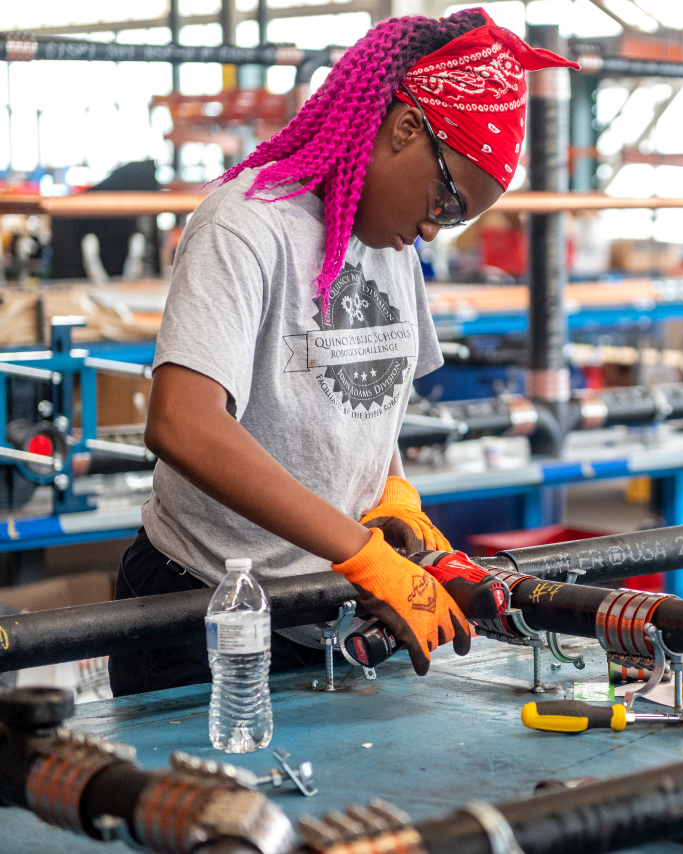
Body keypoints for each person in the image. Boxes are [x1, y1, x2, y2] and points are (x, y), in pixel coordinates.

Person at [108, 9, 577, 696]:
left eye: (455, 220)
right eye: (445, 200)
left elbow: (366, 407)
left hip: (327, 609)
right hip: (206, 615)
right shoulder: (247, 223)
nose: (432, 228)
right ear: (404, 128)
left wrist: (395, 494)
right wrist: (360, 552)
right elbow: (183, 423)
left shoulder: (392, 246)